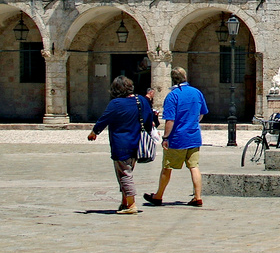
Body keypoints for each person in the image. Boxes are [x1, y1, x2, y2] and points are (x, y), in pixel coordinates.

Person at [88, 74, 155, 215]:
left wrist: (94, 132)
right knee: (127, 172)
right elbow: (149, 120)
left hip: (121, 144)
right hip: (137, 144)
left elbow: (104, 119)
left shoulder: (116, 104)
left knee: (125, 174)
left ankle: (131, 205)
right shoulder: (141, 100)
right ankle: (125, 202)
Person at [144, 66, 208, 207]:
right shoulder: (197, 92)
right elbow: (201, 114)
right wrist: (192, 123)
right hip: (194, 136)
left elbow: (170, 120)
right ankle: (197, 197)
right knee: (194, 166)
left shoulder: (172, 96)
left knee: (167, 167)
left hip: (178, 138)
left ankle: (158, 196)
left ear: (172, 79)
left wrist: (166, 138)